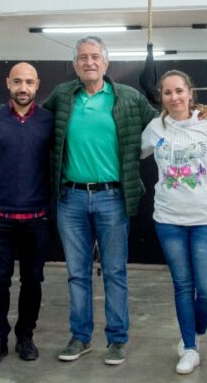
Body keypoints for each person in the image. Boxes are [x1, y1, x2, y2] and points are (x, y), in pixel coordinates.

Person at [43, 35, 157, 366]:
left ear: (106, 63)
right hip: (71, 198)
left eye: (95, 56)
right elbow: (32, 119)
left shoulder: (128, 97)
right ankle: (80, 337)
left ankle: (117, 340)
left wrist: (196, 112)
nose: (89, 62)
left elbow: (164, 123)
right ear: (75, 65)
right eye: (82, 57)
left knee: (115, 272)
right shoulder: (63, 96)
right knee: (77, 273)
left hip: (112, 198)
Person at [140, 70, 207, 375]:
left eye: (179, 91)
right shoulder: (155, 128)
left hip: (206, 217)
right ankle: (190, 347)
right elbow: (134, 151)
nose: (174, 97)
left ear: (190, 92)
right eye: (167, 93)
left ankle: (195, 332)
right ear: (161, 97)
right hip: (168, 219)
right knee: (182, 285)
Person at [0, 63, 54, 366]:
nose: (24, 88)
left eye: (30, 83)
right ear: (7, 82)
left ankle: (26, 336)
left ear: (38, 85)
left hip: (37, 218)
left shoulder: (50, 120)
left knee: (32, 282)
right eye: (18, 82)